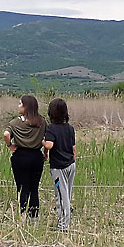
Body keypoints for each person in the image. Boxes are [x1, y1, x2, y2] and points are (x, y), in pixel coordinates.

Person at [3, 94, 47, 220]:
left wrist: (10, 145)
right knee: (34, 188)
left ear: (25, 106)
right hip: (36, 156)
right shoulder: (42, 122)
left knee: (22, 187)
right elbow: (46, 138)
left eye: (20, 104)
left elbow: (6, 134)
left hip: (20, 156)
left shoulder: (15, 122)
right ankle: (34, 216)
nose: (18, 106)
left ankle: (23, 214)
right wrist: (45, 152)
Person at [43, 98, 76, 231]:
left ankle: (63, 225)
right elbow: (74, 148)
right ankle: (63, 222)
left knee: (61, 196)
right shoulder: (70, 128)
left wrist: (42, 142)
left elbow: (49, 145)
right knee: (67, 193)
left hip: (58, 169)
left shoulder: (51, 129)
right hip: (71, 165)